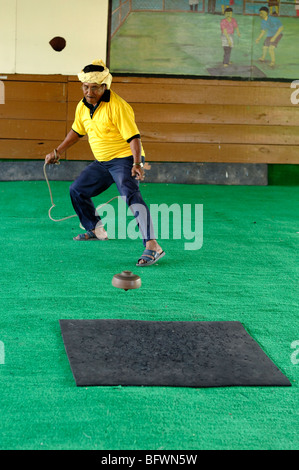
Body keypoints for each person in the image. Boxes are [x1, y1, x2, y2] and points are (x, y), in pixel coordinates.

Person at [45, 59, 165, 267]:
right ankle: (95, 229)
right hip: (102, 162)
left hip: (125, 159)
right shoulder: (82, 107)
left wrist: (137, 163)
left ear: (104, 87)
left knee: (131, 195)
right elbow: (77, 131)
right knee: (77, 190)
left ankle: (153, 245)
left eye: (94, 88)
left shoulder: (118, 106)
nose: (89, 92)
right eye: (85, 87)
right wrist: (58, 151)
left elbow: (134, 138)